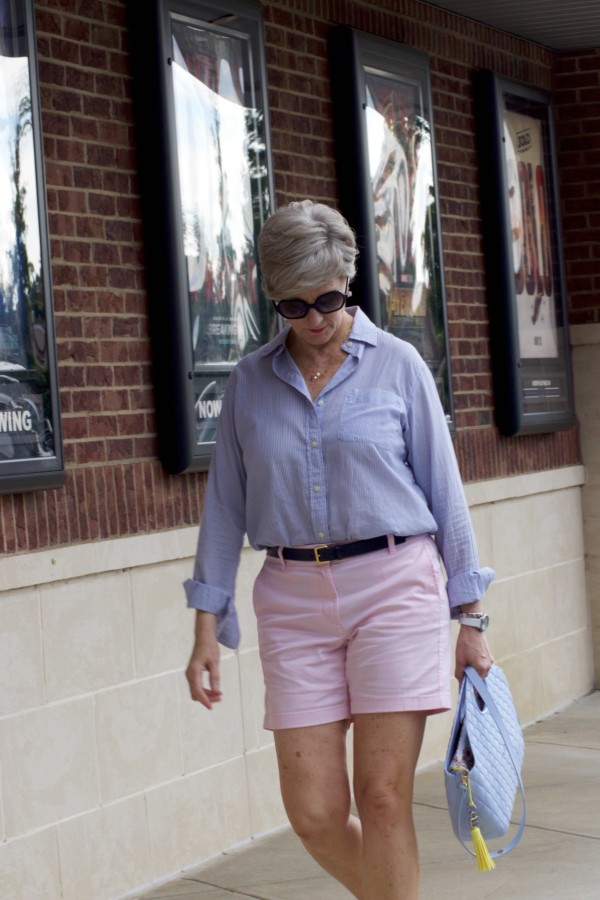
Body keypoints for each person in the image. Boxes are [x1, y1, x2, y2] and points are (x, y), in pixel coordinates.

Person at [184, 199, 495, 900]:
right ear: (274, 298)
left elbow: (447, 497)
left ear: (348, 281)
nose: (316, 317)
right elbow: (225, 508)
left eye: (328, 297)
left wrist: (471, 622)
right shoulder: (249, 383)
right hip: (292, 598)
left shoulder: (400, 367)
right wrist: (207, 624)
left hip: (394, 585)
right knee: (316, 813)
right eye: (295, 304)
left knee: (381, 797)